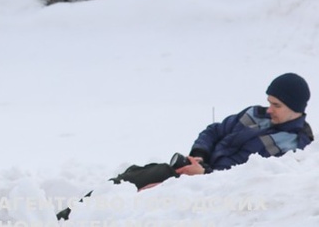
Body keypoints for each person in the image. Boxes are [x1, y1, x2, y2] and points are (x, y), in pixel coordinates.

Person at [59, 73, 311, 221]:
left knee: (139, 201)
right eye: (269, 102)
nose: (269, 109)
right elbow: (213, 131)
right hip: (193, 170)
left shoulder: (296, 146)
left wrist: (207, 176)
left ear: (295, 107)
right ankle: (64, 218)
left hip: (218, 190)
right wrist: (199, 156)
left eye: (276, 105)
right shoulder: (255, 113)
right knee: (131, 178)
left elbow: (258, 180)